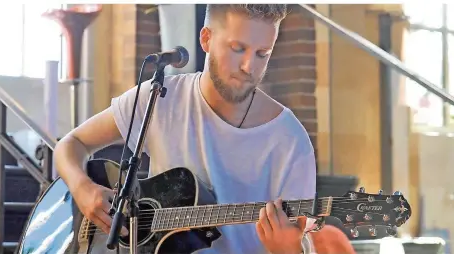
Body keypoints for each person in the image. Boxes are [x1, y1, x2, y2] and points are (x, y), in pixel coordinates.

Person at [54, 4, 317, 254]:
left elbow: (301, 238)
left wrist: (289, 249)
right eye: (238, 48)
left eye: (263, 54)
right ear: (206, 39)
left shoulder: (289, 140)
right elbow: (71, 143)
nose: (250, 67)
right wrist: (83, 189)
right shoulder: (159, 99)